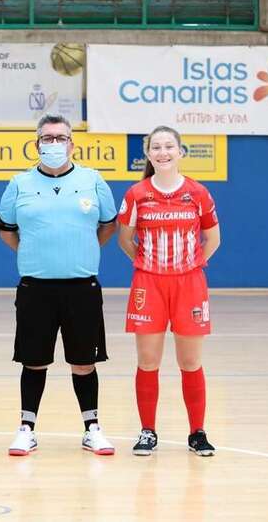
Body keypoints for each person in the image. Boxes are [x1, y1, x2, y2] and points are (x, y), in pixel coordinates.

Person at [0, 114, 117, 456]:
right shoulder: (19, 183)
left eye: (60, 138)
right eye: (47, 138)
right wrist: (32, 250)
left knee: (84, 362)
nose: (54, 144)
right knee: (33, 361)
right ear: (37, 145)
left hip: (82, 287)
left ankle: (92, 429)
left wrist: (83, 248)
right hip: (36, 288)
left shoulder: (93, 180)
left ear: (72, 144)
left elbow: (108, 225)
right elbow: (5, 228)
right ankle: (26, 429)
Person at [116, 125, 221, 457]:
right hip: (149, 284)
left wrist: (190, 265)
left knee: (190, 361)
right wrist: (149, 265)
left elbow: (213, 238)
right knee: (148, 361)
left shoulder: (198, 193)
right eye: (156, 147)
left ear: (180, 152)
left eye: (169, 147)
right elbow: (125, 239)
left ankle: (197, 433)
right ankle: (148, 431)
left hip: (189, 284)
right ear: (148, 154)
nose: (163, 152)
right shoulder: (136, 194)